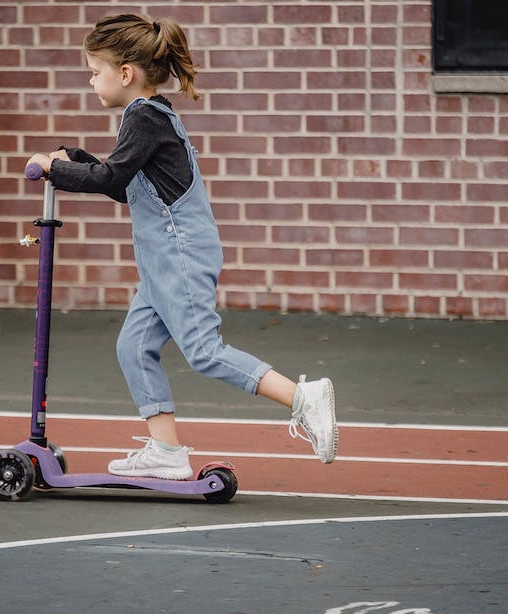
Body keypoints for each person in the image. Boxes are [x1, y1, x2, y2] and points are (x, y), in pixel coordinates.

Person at [26, 14, 337, 480]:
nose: (91, 81)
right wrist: (74, 159)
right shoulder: (147, 115)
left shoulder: (145, 118)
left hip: (180, 255)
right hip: (160, 261)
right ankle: (167, 450)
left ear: (124, 74)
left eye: (95, 71)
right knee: (134, 347)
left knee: (204, 351)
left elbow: (113, 177)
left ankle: (303, 398)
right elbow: (121, 183)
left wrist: (53, 170)